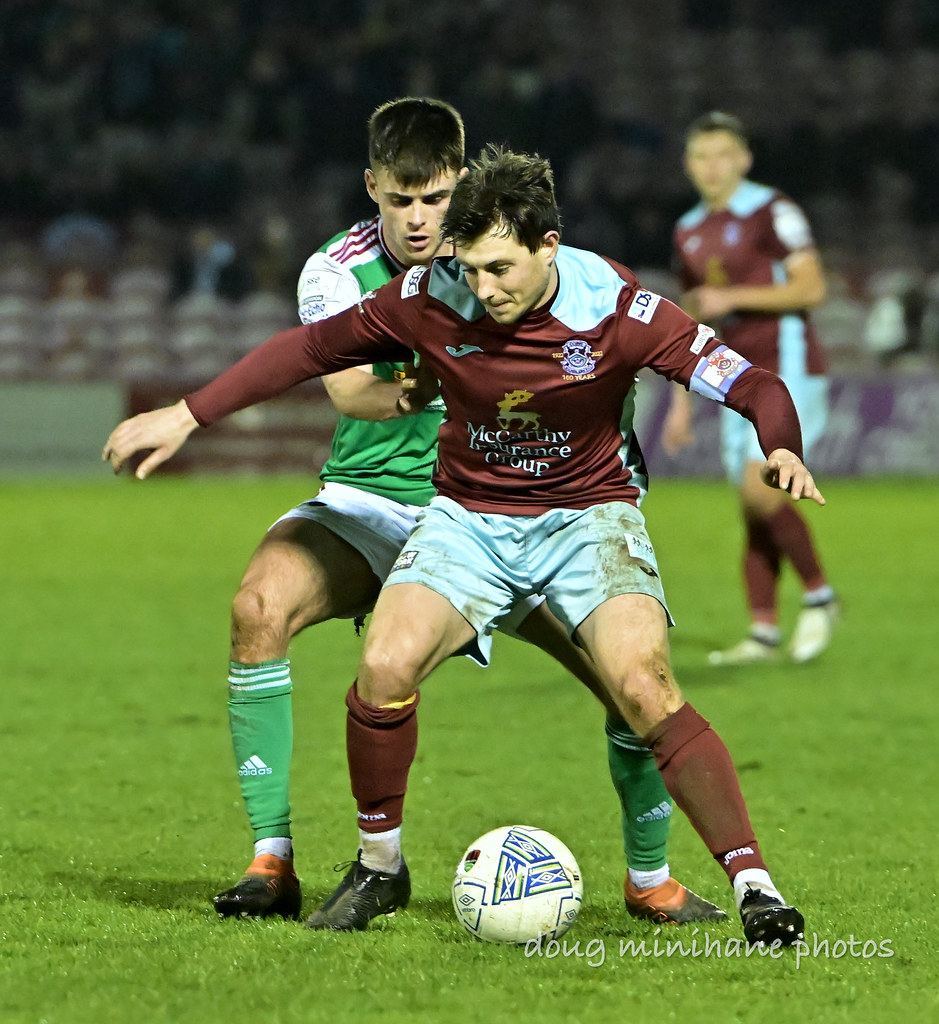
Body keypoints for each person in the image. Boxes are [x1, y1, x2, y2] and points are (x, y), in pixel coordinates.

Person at [104, 145, 821, 947]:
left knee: (643, 686)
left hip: (587, 520)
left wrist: (780, 443)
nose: (482, 288)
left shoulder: (619, 308)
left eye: (500, 269)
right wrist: (188, 414)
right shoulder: (429, 293)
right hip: (468, 520)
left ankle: (753, 885)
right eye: (470, 267)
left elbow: (752, 381)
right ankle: (380, 866)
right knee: (382, 666)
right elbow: (305, 353)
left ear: (548, 245)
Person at [665, 111, 839, 666]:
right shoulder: (688, 228)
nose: (711, 167)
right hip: (730, 378)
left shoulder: (773, 211)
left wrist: (736, 296)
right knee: (751, 507)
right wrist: (680, 406)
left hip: (785, 366)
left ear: (744, 159)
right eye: (700, 156)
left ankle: (821, 596)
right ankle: (763, 632)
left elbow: (812, 287)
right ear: (688, 165)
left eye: (722, 155)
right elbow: (690, 323)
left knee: (760, 492)